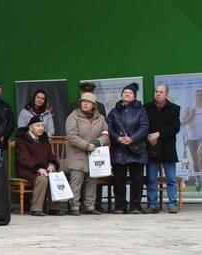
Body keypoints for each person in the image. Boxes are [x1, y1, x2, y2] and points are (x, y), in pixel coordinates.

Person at [106, 83, 149, 214]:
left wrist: (132, 138)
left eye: (130, 93)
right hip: (119, 149)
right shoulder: (114, 111)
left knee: (137, 179)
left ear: (134, 96)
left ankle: (136, 206)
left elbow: (144, 127)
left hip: (136, 149)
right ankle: (120, 206)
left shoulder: (141, 110)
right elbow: (108, 128)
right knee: (119, 180)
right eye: (125, 92)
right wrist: (117, 138)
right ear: (121, 95)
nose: (127, 94)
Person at [65, 93, 109, 216]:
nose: (84, 103)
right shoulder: (73, 116)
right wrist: (86, 145)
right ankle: (74, 206)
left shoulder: (100, 118)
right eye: (83, 101)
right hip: (77, 154)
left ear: (94, 105)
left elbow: (106, 133)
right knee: (76, 180)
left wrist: (99, 141)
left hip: (94, 154)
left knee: (92, 181)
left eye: (88, 102)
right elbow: (72, 136)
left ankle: (90, 206)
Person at [144, 84, 181, 214]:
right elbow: (144, 124)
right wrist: (149, 136)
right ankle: (152, 204)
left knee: (171, 178)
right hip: (152, 145)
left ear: (166, 94)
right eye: (156, 91)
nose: (158, 94)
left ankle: (172, 203)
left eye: (161, 92)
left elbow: (174, 127)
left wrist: (158, 134)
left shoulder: (174, 109)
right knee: (151, 178)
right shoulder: (147, 108)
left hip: (167, 146)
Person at [15, 117, 62, 216]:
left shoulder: (44, 139)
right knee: (42, 179)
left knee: (54, 176)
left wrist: (52, 165)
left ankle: (53, 208)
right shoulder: (22, 140)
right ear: (31, 128)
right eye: (38, 126)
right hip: (27, 169)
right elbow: (24, 158)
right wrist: (38, 168)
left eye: (42, 126)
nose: (40, 128)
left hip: (43, 169)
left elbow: (51, 155)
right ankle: (36, 208)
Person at [182, 89, 202, 191]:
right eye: (197, 95)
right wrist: (191, 115)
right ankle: (198, 179)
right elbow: (182, 123)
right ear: (194, 97)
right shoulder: (189, 109)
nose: (199, 97)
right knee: (194, 160)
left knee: (200, 153)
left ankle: (201, 175)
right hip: (191, 137)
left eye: (201, 95)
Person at [0, 80, 16, 159]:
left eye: (0, 87)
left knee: (1, 166)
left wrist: (3, 136)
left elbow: (11, 123)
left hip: (2, 143)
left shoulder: (6, 106)